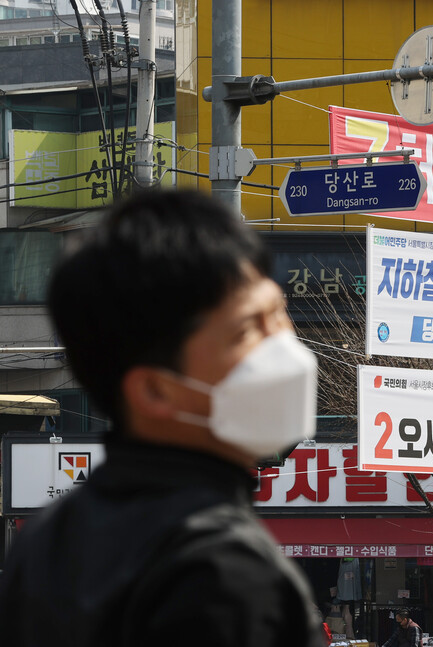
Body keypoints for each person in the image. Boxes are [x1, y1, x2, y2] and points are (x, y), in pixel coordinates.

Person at [0, 190, 324, 646]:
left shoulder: (49, 537)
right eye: (250, 328)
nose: (284, 347)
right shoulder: (226, 573)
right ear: (154, 390)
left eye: (279, 313)